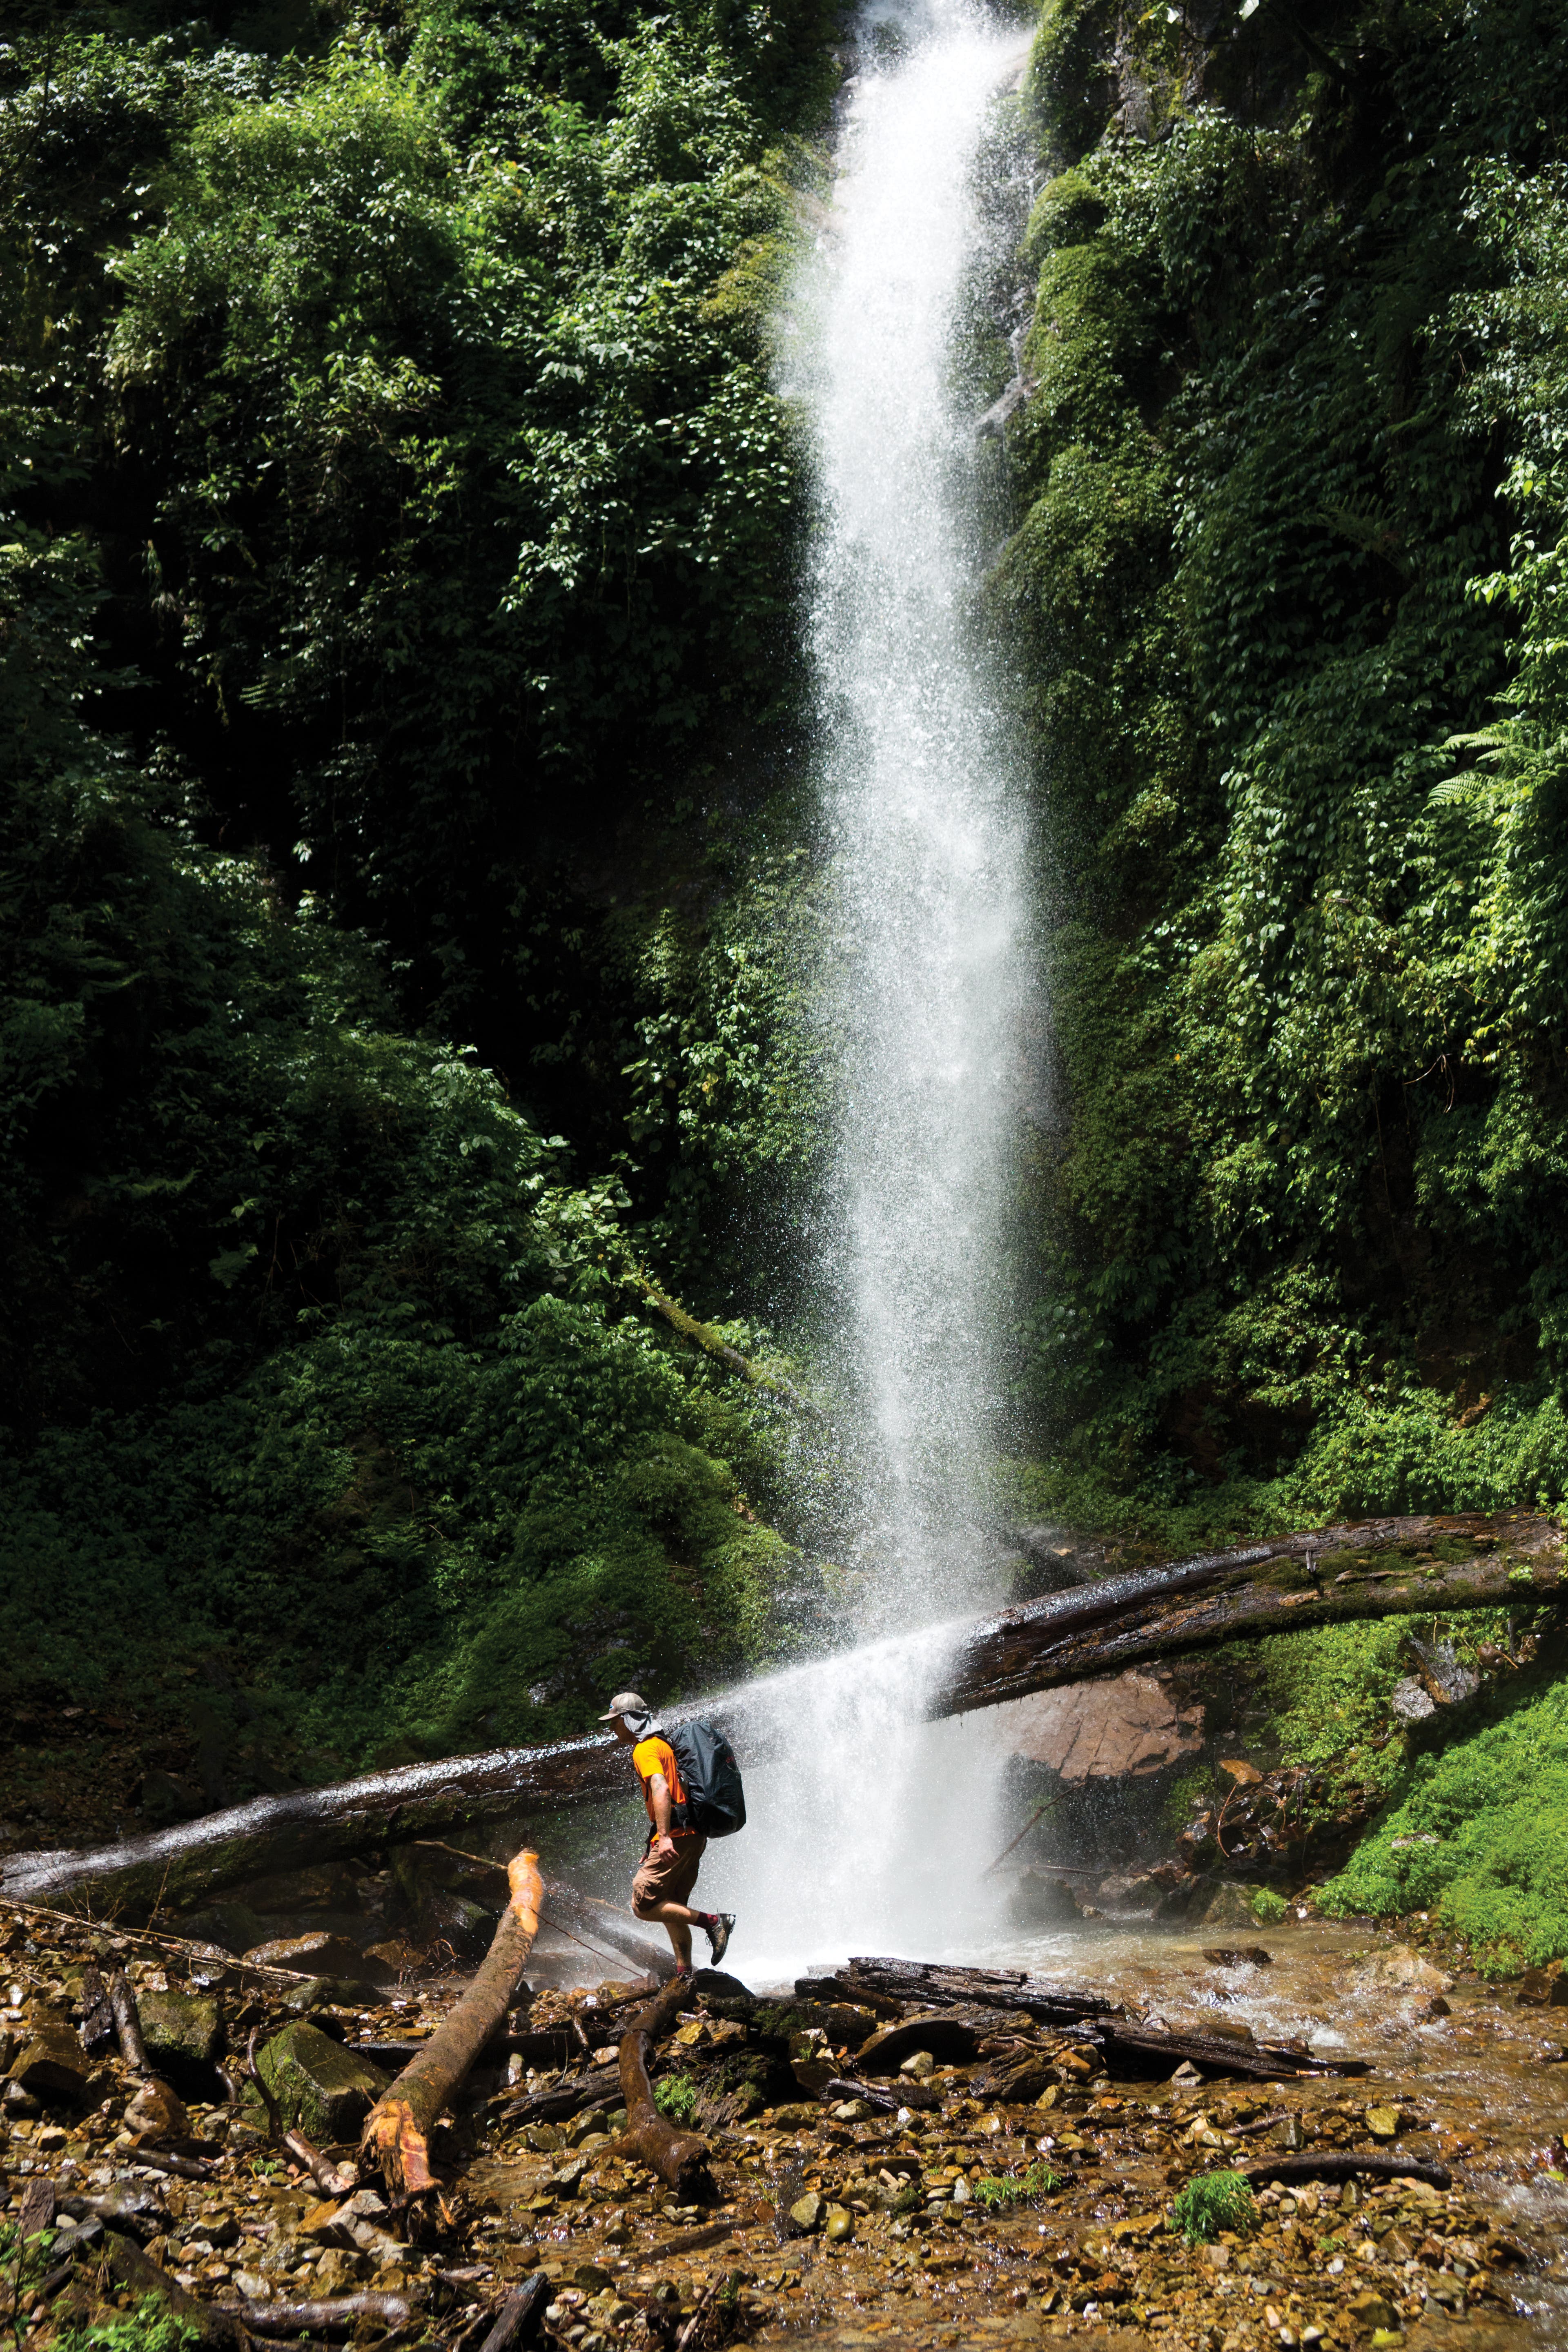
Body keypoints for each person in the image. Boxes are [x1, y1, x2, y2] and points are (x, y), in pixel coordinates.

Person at [599, 1691, 734, 1975]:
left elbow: (661, 1788)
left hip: (677, 1835)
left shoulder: (645, 1749)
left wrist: (664, 1837)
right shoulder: (664, 1744)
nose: (612, 1728)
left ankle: (714, 1922)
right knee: (671, 1905)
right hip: (693, 1835)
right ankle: (685, 1972)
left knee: (643, 1904)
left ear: (628, 1720)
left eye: (615, 1722)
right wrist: (655, 1838)